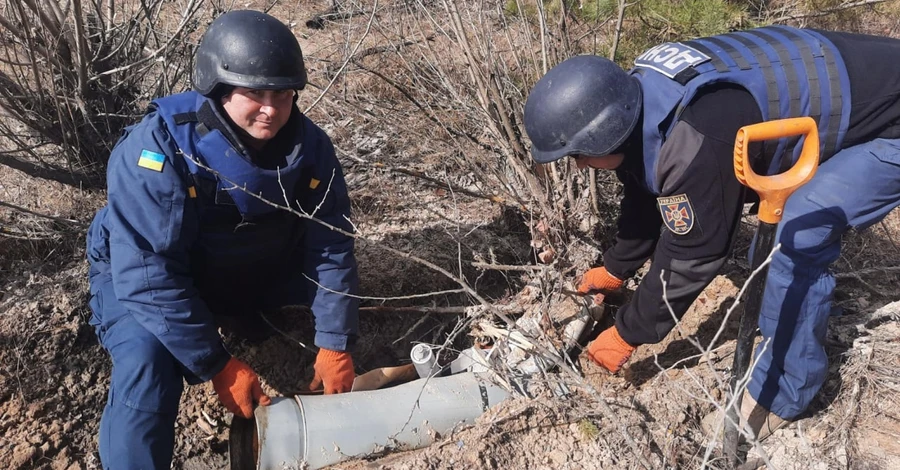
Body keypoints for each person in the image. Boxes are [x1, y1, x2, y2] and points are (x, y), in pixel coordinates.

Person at [524, 26, 900, 439]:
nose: (578, 165)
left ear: (606, 132)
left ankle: (782, 392)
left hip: (890, 119)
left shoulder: (699, 134)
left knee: (795, 231)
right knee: (777, 239)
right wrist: (615, 268)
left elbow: (694, 252)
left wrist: (629, 332)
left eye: (579, 155)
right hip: (861, 75)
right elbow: (645, 185)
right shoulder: (639, 98)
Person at [85, 10, 360, 468]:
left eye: (283, 93)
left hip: (242, 261)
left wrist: (335, 342)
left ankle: (245, 313)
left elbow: (330, 244)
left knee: (340, 305)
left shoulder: (310, 149)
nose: (271, 108)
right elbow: (149, 274)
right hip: (142, 274)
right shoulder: (155, 151)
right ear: (218, 87)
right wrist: (217, 364)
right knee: (148, 360)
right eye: (254, 92)